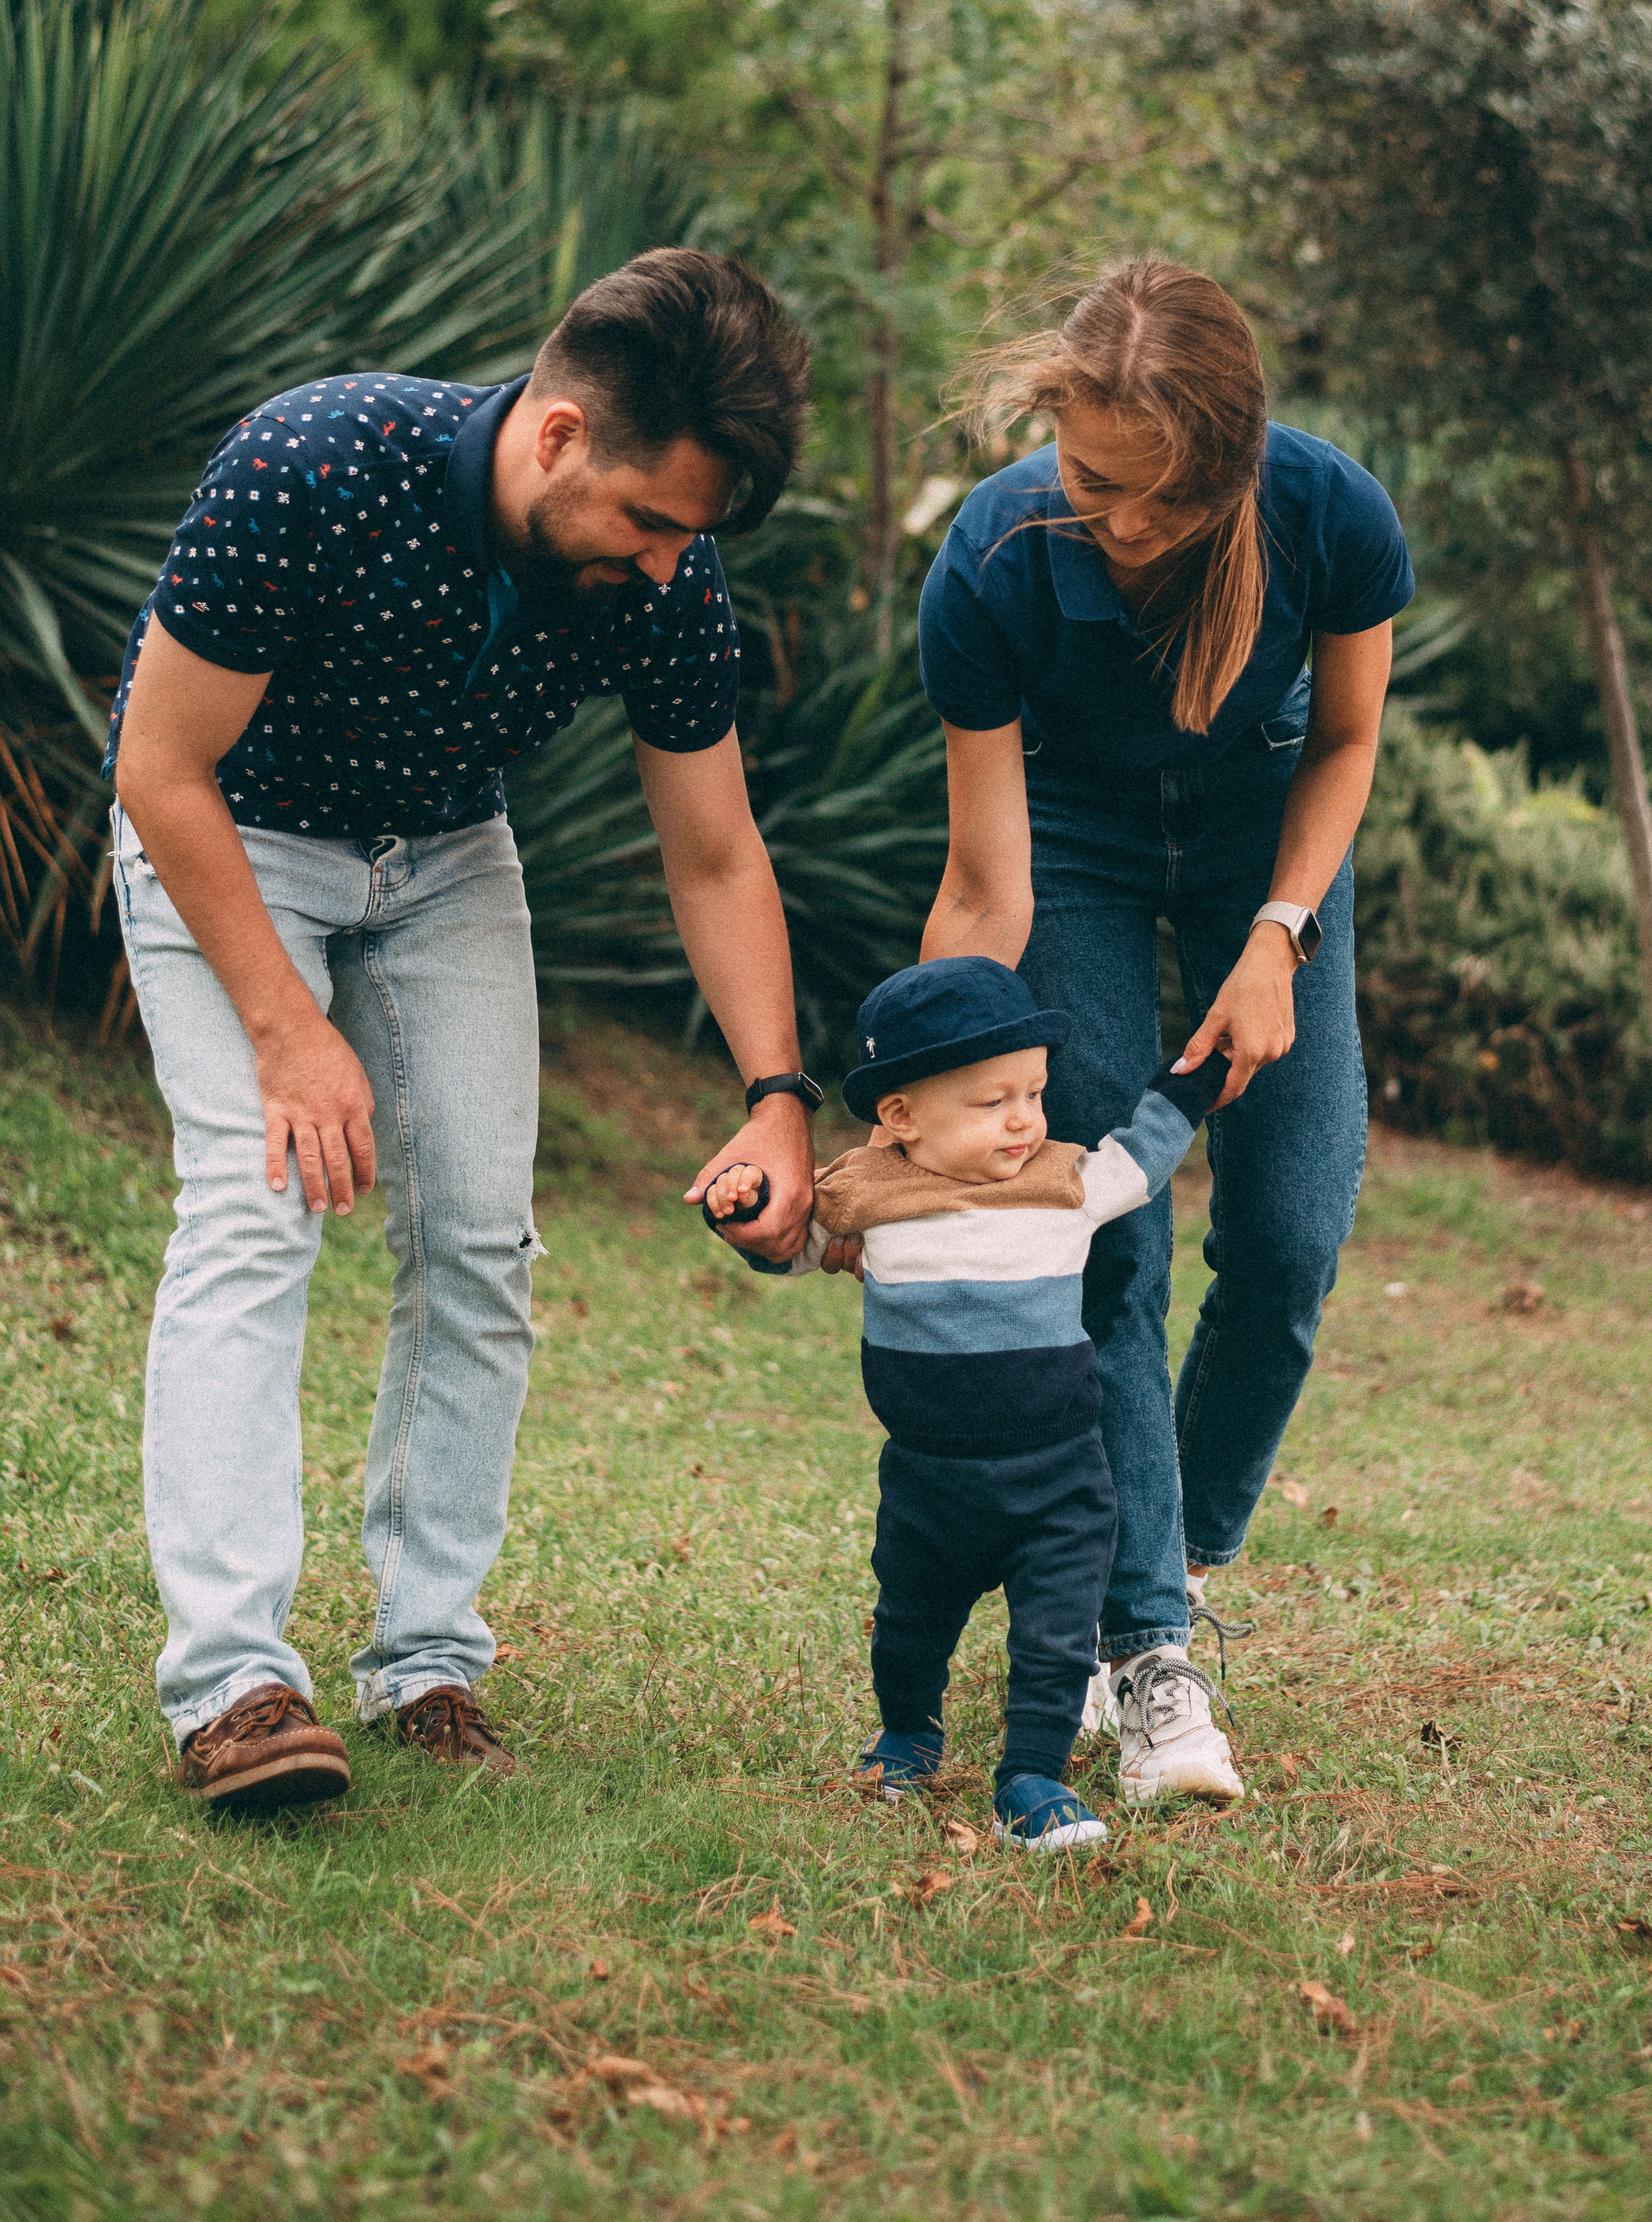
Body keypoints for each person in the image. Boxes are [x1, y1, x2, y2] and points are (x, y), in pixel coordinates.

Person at [109, 249, 824, 1815]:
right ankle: (233, 1687)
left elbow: (713, 850)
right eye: (648, 522)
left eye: (685, 539)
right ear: (560, 435)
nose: (659, 566)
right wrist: (285, 1026)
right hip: (232, 833)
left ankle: (424, 1661)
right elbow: (161, 769)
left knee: (484, 1241)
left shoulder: (661, 573)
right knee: (253, 1201)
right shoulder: (311, 468)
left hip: (441, 855)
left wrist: (776, 1094)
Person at [909, 259, 1413, 1804]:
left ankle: (1163, 1556)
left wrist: (1276, 935)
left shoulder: (1328, 515)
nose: (1116, 525)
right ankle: (1138, 1657)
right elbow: (986, 880)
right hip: (1073, 834)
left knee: (1286, 1233)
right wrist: (944, 1073)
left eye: (1156, 501)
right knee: (1105, 1234)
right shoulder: (994, 559)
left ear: (1232, 468)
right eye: (1088, 481)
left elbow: (1340, 741)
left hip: (1265, 825)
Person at [703, 957, 1229, 1845]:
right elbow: (789, 1247)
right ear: (899, 1116)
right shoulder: (864, 1195)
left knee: (1056, 1643)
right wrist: (745, 1205)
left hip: (1060, 1482)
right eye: (992, 1102)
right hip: (927, 1480)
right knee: (909, 1624)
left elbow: (1148, 1142)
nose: (1024, 1120)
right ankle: (909, 1731)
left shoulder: (1067, 1177)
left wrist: (1204, 1070)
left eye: (1033, 1093)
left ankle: (1031, 1777)